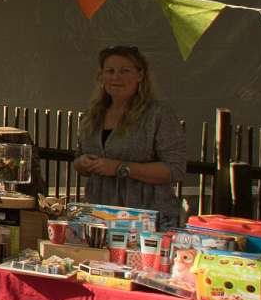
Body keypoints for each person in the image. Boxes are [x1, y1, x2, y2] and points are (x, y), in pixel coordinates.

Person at [74, 45, 188, 230]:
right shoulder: (92, 116)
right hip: (100, 217)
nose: (116, 77)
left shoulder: (158, 115)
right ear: (101, 76)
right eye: (110, 71)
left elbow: (175, 169)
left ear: (140, 75)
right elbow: (79, 159)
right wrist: (82, 163)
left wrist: (121, 168)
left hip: (148, 220)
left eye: (125, 71)